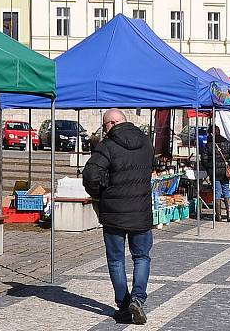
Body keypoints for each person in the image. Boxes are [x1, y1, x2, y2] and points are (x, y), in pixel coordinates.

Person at [83, 109, 153, 325]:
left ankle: (123, 306)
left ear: (111, 124)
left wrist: (100, 194)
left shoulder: (107, 145)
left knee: (116, 260)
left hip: (114, 213)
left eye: (105, 126)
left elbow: (90, 175)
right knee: (141, 257)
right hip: (141, 212)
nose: (105, 130)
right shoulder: (146, 142)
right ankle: (138, 298)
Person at [201, 126, 230, 223]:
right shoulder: (226, 142)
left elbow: (204, 160)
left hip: (214, 172)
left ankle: (219, 216)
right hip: (225, 172)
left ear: (211, 133)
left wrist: (209, 168)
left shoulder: (209, 145)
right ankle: (229, 215)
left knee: (217, 192)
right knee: (226, 190)